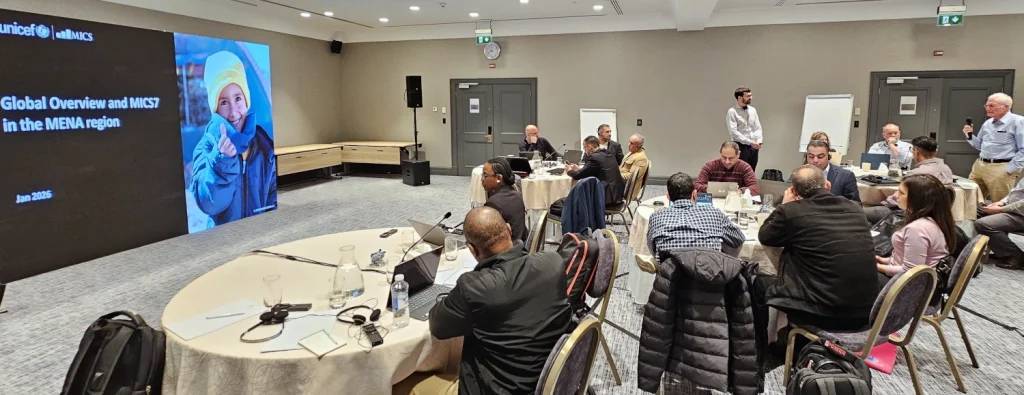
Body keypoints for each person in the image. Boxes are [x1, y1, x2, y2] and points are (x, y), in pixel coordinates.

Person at [421, 207, 571, 395]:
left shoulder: (474, 287)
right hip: (551, 381)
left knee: (407, 385)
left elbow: (438, 326)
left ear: (472, 249)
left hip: (498, 389)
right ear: (508, 229)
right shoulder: (553, 262)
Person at [752, 165, 877, 350]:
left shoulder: (791, 212)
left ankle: (762, 348)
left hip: (825, 313)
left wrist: (784, 205)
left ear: (794, 191)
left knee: (757, 281)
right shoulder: (854, 208)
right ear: (828, 185)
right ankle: (784, 335)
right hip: (867, 311)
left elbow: (765, 235)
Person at [190, 51, 276, 226]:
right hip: (225, 239)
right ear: (215, 108)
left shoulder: (264, 145)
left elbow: (274, 195)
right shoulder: (206, 147)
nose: (233, 112)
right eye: (224, 102)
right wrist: (222, 163)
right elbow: (209, 204)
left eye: (237, 98)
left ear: (246, 101)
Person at [875, 174, 956, 289]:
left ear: (917, 199)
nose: (895, 196)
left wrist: (878, 267)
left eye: (901, 193)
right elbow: (907, 259)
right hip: (919, 281)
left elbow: (910, 271)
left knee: (853, 274)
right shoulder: (935, 220)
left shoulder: (918, 229)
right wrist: (884, 261)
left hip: (909, 288)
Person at [647, 172, 745, 258]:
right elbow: (738, 239)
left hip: (670, 272)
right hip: (709, 272)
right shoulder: (714, 214)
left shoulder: (656, 216)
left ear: (668, 196)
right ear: (694, 194)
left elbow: (653, 249)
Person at [863, 136, 956, 224]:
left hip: (905, 213)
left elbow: (896, 199)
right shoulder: (947, 169)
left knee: (859, 212)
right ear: (936, 151)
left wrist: (879, 203)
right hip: (935, 214)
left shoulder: (916, 174)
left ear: (916, 152)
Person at [963, 92, 1024, 203]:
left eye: (992, 105)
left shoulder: (1018, 122)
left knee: (999, 204)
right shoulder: (988, 123)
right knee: (970, 200)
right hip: (980, 166)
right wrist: (969, 136)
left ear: (1006, 107)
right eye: (986, 105)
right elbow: (980, 145)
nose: (988, 108)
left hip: (1001, 167)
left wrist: (1010, 169)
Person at [975, 176, 1024, 269]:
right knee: (977, 212)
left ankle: (1016, 256)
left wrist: (1001, 209)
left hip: (1020, 215)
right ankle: (1002, 252)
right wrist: (1002, 202)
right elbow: (1017, 191)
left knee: (983, 224)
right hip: (1014, 211)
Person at [566, 136, 625, 206]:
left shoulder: (593, 157)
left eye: (585, 148)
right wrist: (579, 169)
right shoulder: (608, 153)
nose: (585, 150)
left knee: (570, 201)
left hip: (606, 197)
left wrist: (569, 170)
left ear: (589, 147)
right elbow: (594, 170)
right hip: (617, 194)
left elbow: (577, 176)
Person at [481, 158, 528, 243]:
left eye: (485, 176)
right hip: (521, 244)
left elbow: (489, 237)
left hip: (508, 248)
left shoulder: (493, 203)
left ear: (499, 178)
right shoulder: (518, 195)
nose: (482, 179)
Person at [695, 141, 760, 195]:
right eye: (724, 157)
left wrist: (740, 191)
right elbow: (697, 185)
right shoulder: (710, 165)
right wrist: (709, 189)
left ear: (738, 154)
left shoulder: (745, 167)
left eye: (731, 158)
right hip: (713, 200)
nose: (727, 162)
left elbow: (754, 188)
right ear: (720, 153)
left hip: (736, 200)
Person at [726, 86, 764, 172]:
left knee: (751, 170)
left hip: (754, 145)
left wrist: (759, 140)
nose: (750, 98)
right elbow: (733, 132)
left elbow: (757, 127)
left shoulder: (753, 110)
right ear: (739, 98)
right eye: (748, 96)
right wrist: (750, 142)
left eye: (751, 95)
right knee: (740, 170)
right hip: (740, 145)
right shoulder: (732, 111)